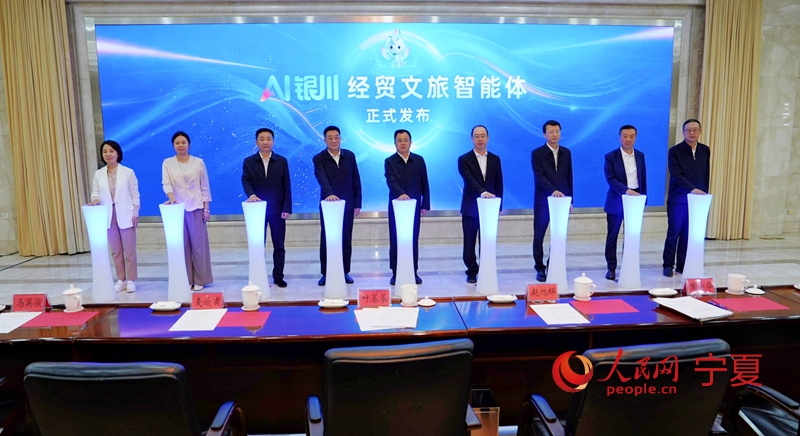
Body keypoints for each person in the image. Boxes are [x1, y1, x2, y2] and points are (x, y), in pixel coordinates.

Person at [162, 131, 213, 291]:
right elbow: (166, 183)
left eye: (183, 142)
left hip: (196, 206)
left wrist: (206, 208)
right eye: (177, 143)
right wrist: (171, 197)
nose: (180, 145)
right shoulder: (167, 163)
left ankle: (200, 279)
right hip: (177, 209)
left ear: (189, 144)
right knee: (182, 245)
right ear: (173, 145)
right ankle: (186, 279)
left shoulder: (198, 162)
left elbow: (204, 186)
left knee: (198, 245)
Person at [242, 128, 292, 288]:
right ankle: (260, 276)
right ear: (256, 142)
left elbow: (286, 185)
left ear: (273, 141)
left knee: (279, 245)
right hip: (257, 210)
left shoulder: (281, 161)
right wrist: (251, 195)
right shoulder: (249, 162)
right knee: (258, 245)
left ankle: (278, 276)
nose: (265, 142)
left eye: (268, 139)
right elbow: (246, 181)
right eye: (262, 139)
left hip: (277, 209)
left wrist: (287, 208)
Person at [313, 125, 362, 286]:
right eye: (330, 138)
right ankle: (326, 273)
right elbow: (321, 178)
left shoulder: (350, 155)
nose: (333, 140)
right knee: (328, 239)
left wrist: (357, 202)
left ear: (340, 139)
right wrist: (329, 194)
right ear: (325, 140)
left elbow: (356, 179)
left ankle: (344, 271)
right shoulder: (319, 158)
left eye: (336, 137)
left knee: (345, 239)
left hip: (347, 205)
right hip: (329, 206)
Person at [89, 140, 140, 293]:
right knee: (116, 250)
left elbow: (135, 194)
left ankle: (131, 279)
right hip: (108, 215)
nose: (108, 154)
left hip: (126, 213)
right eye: (105, 151)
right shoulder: (98, 174)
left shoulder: (128, 172)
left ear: (118, 153)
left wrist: (135, 212)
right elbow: (95, 192)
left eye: (111, 151)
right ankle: (121, 279)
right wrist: (95, 200)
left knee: (129, 249)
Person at [662, 119, 710, 277]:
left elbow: (705, 174)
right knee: (674, 232)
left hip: (696, 201)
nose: (692, 133)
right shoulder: (675, 151)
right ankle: (668, 264)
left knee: (688, 234)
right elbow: (676, 175)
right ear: (683, 132)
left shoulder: (705, 150)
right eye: (688, 130)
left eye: (695, 130)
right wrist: (692, 189)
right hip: (678, 199)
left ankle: (682, 265)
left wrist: (704, 193)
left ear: (700, 132)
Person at [458, 125, 504, 284]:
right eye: (476, 136)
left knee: (487, 241)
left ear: (488, 138)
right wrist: (483, 193)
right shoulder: (464, 159)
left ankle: (486, 268)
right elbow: (469, 180)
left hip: (490, 208)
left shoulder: (495, 159)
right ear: (472, 138)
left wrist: (499, 205)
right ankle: (471, 271)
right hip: (471, 207)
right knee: (469, 241)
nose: (480, 139)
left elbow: (499, 183)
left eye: (483, 136)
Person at [384, 129, 430, 286]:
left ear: (411, 142)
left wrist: (425, 204)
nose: (403, 143)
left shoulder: (419, 160)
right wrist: (401, 194)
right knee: (396, 239)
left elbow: (424, 183)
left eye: (405, 140)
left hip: (414, 207)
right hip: (396, 207)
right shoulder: (389, 161)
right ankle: (396, 273)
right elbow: (391, 181)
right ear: (395, 143)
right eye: (399, 140)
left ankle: (413, 271)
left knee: (413, 239)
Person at [531, 120, 574, 282]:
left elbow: (569, 177)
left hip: (562, 202)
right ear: (545, 134)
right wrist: (552, 191)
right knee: (539, 236)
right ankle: (539, 268)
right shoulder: (537, 153)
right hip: (543, 201)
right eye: (551, 132)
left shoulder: (566, 152)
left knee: (558, 236)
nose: (554, 135)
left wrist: (570, 199)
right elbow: (539, 176)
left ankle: (553, 264)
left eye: (557, 131)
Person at [603, 125, 647, 281]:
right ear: (619, 137)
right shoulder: (611, 156)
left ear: (635, 137)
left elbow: (643, 178)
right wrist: (625, 190)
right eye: (625, 136)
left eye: (632, 136)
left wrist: (643, 199)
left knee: (631, 236)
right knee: (612, 236)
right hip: (617, 198)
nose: (628, 139)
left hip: (635, 200)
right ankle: (611, 268)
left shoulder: (640, 155)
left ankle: (629, 265)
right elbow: (610, 178)